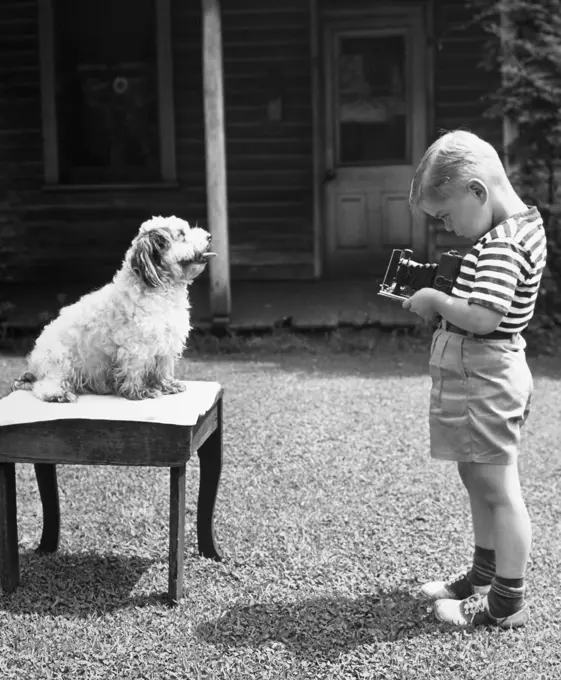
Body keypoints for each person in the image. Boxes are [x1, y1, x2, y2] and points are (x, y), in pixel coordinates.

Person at [403, 130, 547, 628]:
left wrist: (437, 303)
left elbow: (485, 317)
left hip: (487, 373)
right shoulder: (514, 231)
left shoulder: (504, 243)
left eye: (446, 216)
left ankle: (505, 604)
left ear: (477, 192)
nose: (447, 228)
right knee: (476, 476)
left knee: (498, 486)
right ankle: (483, 575)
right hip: (480, 373)